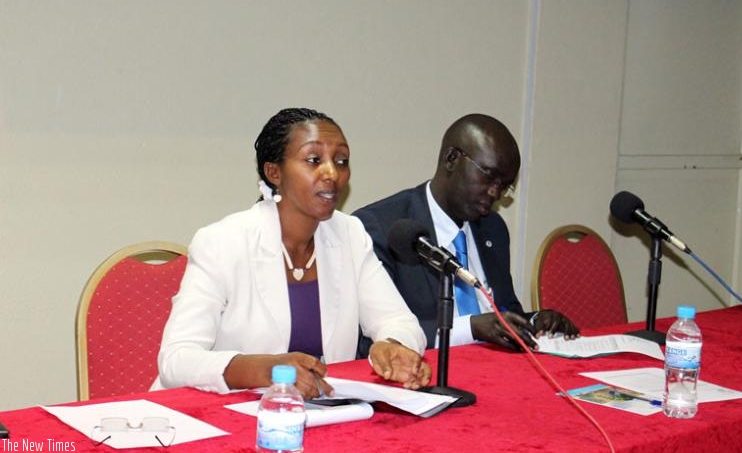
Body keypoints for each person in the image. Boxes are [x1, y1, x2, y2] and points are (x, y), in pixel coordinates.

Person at [154, 108, 430, 399]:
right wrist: (266, 369)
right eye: (314, 160)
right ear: (274, 172)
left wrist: (392, 346)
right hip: (223, 410)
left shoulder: (350, 234)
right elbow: (176, 359)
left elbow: (400, 322)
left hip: (322, 412)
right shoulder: (222, 242)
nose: (332, 173)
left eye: (341, 161)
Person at [353, 113, 579, 352]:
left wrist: (534, 321)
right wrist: (470, 328)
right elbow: (376, 337)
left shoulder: (493, 228)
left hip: (497, 373)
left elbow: (504, 312)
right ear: (451, 159)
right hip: (424, 379)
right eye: (489, 176)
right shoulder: (382, 227)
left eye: (504, 186)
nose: (495, 194)